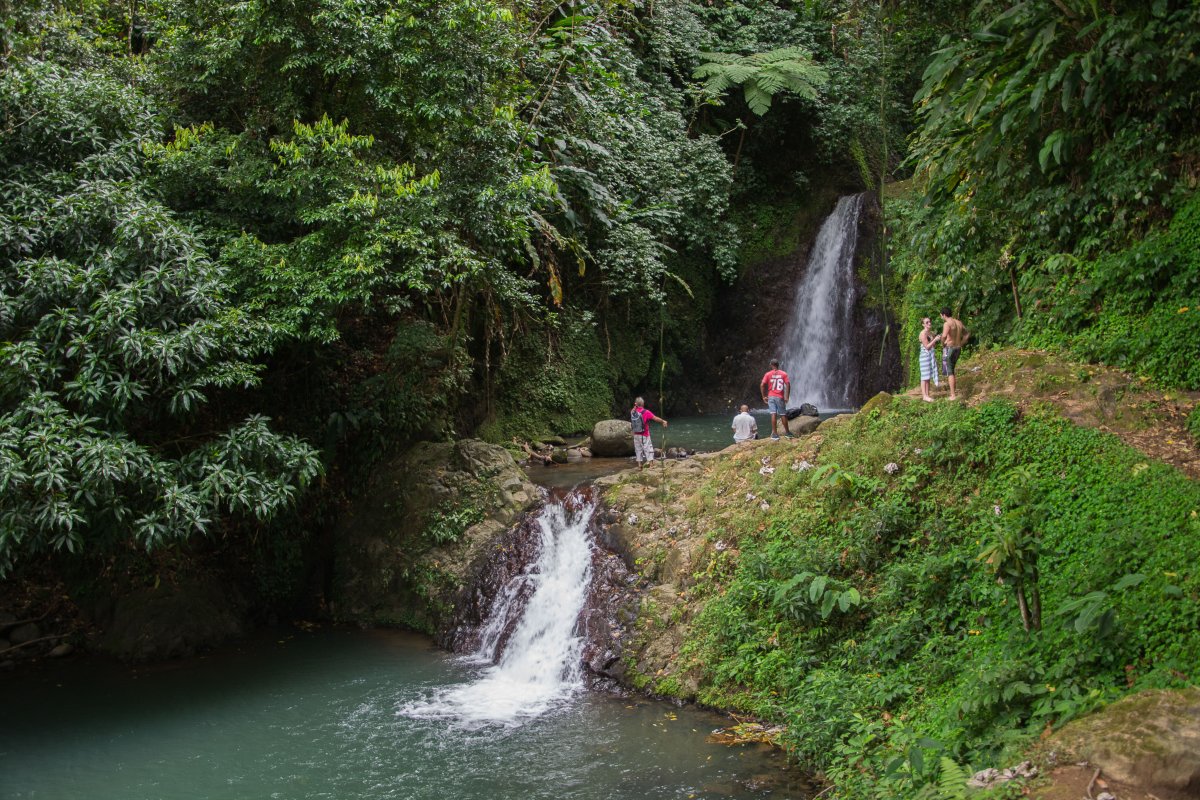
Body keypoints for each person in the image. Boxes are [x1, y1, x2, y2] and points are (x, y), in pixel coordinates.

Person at [939, 307, 969, 401]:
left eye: (941, 315)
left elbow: (944, 336)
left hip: (950, 348)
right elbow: (967, 334)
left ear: (944, 315)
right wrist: (962, 342)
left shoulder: (947, 324)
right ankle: (953, 392)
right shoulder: (958, 322)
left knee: (950, 371)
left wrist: (942, 344)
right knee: (952, 369)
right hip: (958, 348)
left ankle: (952, 395)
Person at [630, 396, 667, 470]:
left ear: (636, 404)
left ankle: (639, 465)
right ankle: (651, 465)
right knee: (648, 448)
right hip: (644, 434)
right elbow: (655, 418)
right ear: (643, 404)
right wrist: (663, 421)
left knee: (638, 449)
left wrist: (635, 406)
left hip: (636, 434)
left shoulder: (632, 412)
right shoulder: (646, 412)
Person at [759, 359, 792, 440]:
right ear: (778, 365)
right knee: (783, 414)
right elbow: (788, 384)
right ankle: (788, 433)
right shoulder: (784, 374)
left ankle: (775, 434)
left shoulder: (768, 374)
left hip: (771, 397)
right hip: (780, 397)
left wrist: (763, 396)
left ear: (771, 365)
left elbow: (762, 385)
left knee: (773, 414)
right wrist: (787, 396)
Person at [918, 316, 941, 402]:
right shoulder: (923, 333)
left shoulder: (930, 333)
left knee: (928, 376)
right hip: (924, 356)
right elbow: (927, 347)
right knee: (924, 376)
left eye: (929, 321)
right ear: (923, 324)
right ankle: (924, 395)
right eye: (927, 322)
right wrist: (935, 339)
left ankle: (927, 395)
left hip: (930, 356)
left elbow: (933, 345)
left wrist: (934, 339)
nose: (929, 323)